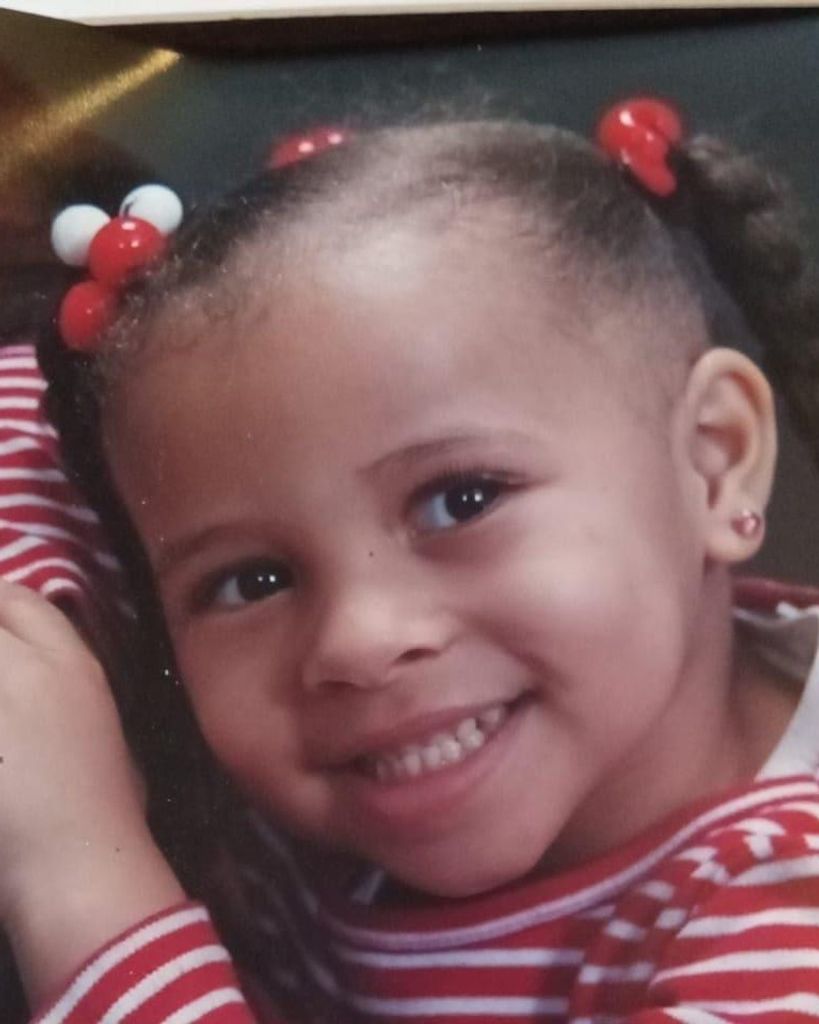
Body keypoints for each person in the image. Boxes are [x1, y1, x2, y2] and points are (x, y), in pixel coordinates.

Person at [6, 99, 819, 1023]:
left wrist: (79, 877)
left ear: (711, 461)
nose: (358, 640)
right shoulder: (370, 758)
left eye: (460, 500)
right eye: (252, 580)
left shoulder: (789, 919)